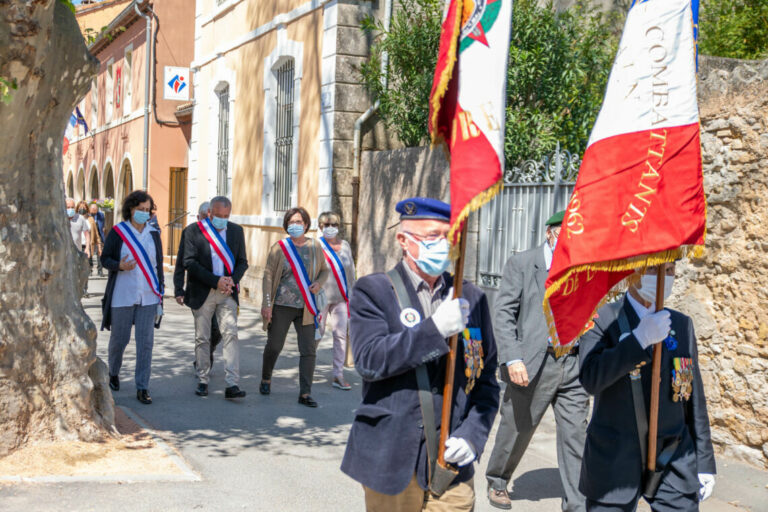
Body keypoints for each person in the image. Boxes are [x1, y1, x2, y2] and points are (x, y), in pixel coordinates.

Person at [341, 197, 500, 511]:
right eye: (431, 237)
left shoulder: (471, 296)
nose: (442, 244)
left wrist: (473, 436)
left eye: (447, 236)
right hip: (390, 459)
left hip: (449, 466)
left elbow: (486, 381)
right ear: (403, 240)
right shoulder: (374, 291)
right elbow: (370, 361)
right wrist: (434, 330)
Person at [578, 262, 716, 511]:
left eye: (671, 270)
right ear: (632, 271)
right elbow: (590, 379)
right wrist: (638, 340)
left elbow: (693, 398)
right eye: (653, 269)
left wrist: (705, 461)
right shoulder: (602, 319)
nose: (665, 276)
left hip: (673, 455)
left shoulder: (682, 324)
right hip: (614, 457)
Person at [485, 211, 588, 511]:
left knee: (576, 435)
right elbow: (503, 313)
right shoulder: (523, 263)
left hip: (573, 361)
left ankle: (576, 502)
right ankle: (498, 479)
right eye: (563, 233)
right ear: (549, 233)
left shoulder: (581, 267)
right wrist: (513, 357)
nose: (568, 239)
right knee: (517, 427)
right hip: (532, 361)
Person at [260, 207, 329, 407]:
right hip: (281, 305)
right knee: (274, 345)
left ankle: (305, 393)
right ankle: (266, 377)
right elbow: (268, 276)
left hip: (307, 307)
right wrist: (266, 303)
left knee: (308, 350)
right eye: (291, 222)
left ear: (306, 225)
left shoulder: (315, 246)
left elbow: (325, 270)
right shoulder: (279, 248)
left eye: (299, 222)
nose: (295, 225)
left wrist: (319, 283)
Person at [100, 190, 164, 405]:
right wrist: (119, 265)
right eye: (140, 210)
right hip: (123, 295)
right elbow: (104, 259)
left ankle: (142, 386)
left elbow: (158, 267)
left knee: (146, 343)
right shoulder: (119, 232)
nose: (144, 214)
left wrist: (160, 294)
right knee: (120, 340)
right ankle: (114, 373)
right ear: (131, 209)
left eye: (148, 210)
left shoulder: (154, 234)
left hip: (148, 296)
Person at [183, 196, 248, 399]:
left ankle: (232, 384)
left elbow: (243, 262)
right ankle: (203, 379)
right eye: (218, 216)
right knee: (203, 337)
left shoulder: (237, 231)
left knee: (231, 334)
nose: (222, 219)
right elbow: (189, 262)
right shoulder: (193, 231)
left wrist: (232, 280)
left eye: (226, 216)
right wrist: (215, 281)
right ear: (209, 213)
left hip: (227, 292)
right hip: (204, 291)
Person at [174, 201, 222, 369]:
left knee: (218, 330)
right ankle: (203, 362)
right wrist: (179, 289)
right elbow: (181, 262)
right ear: (199, 217)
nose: (208, 221)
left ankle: (207, 351)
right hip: (198, 290)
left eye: (211, 217)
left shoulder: (224, 233)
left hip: (221, 290)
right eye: (204, 217)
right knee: (204, 331)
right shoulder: (191, 232)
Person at [317, 211, 356, 390]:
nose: (330, 228)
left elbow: (351, 272)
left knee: (340, 335)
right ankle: (307, 369)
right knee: (317, 333)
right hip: (321, 297)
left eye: (334, 225)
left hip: (342, 297)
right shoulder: (316, 245)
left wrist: (353, 295)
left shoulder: (345, 245)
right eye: (326, 225)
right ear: (320, 227)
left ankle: (338, 375)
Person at [89, 202, 105, 277]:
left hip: (99, 236)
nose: (94, 211)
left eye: (95, 210)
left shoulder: (101, 215)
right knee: (90, 254)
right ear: (89, 209)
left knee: (100, 254)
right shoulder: (87, 216)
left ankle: (100, 270)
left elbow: (102, 226)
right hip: (91, 236)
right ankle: (89, 270)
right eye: (93, 210)